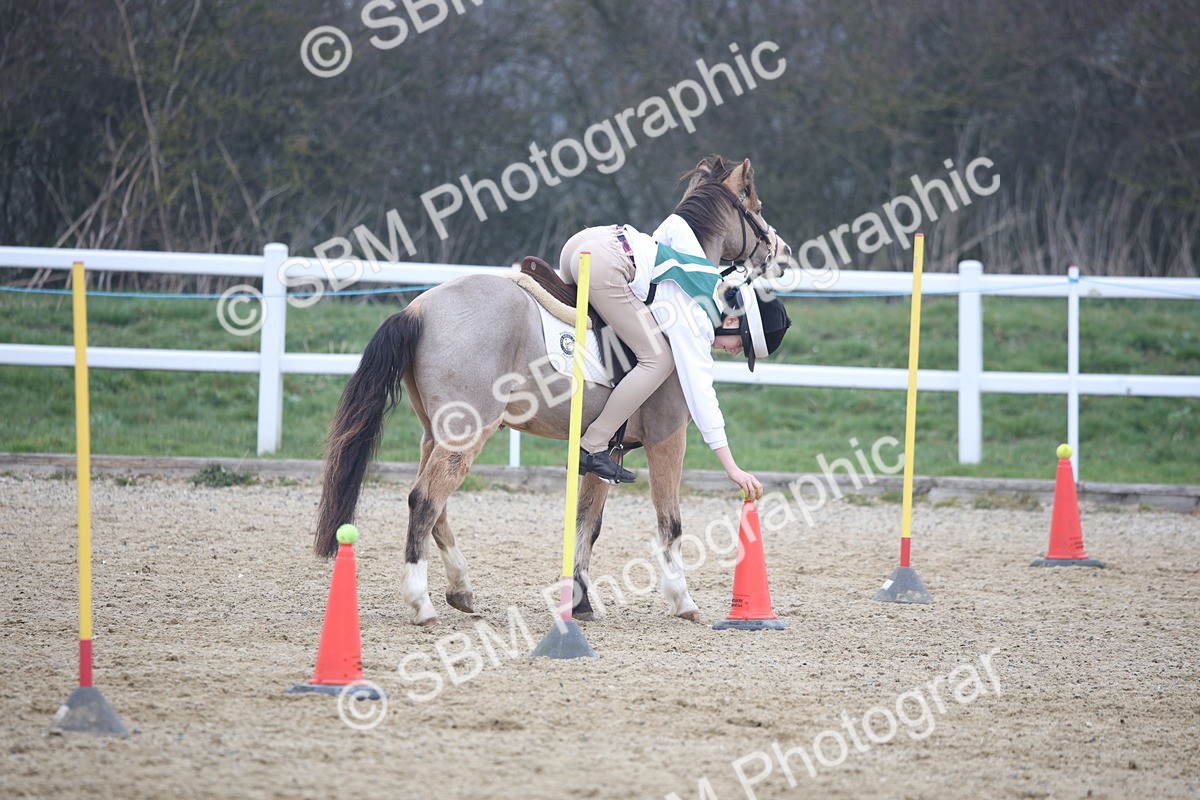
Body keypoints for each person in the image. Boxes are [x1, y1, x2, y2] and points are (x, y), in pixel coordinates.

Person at [558, 213, 791, 499]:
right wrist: (732, 468)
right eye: (741, 345)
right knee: (659, 361)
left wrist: (649, 257)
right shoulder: (699, 322)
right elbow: (702, 398)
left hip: (585, 242)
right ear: (732, 321)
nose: (733, 351)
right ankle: (593, 447)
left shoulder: (706, 272)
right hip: (605, 264)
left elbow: (675, 224)